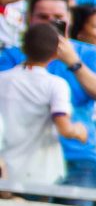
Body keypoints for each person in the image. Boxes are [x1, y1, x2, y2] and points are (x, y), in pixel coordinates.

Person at [0, 21, 81, 190]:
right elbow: (65, 128)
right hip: (41, 175)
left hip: (6, 171)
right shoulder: (56, 85)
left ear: (23, 47)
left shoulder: (3, 79)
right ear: (55, 53)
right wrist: (80, 131)